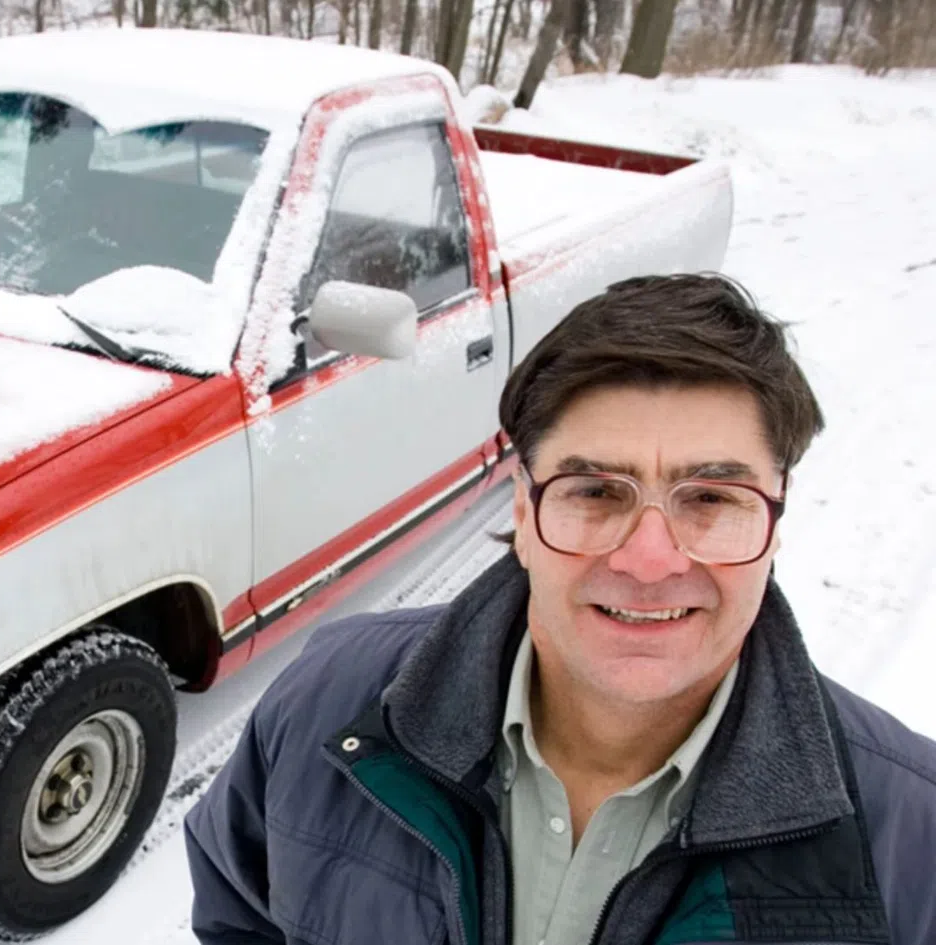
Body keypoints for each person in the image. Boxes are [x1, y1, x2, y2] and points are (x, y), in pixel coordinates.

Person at [185, 274, 936, 945]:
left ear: (774, 520)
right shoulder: (330, 702)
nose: (650, 559)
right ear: (522, 503)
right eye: (596, 491)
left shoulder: (911, 832)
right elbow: (238, 913)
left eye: (710, 499)